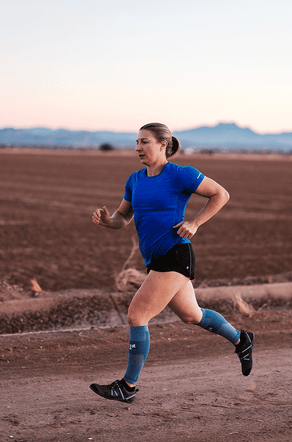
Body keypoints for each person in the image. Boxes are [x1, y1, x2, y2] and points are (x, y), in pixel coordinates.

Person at [89, 122, 254, 403]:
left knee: (137, 315)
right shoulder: (135, 179)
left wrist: (195, 222)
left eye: (145, 142)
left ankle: (127, 387)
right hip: (155, 258)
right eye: (137, 142)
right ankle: (242, 340)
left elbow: (221, 194)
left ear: (163, 145)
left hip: (176, 253)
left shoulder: (180, 175)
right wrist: (108, 222)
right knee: (192, 315)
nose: (138, 148)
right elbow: (123, 218)